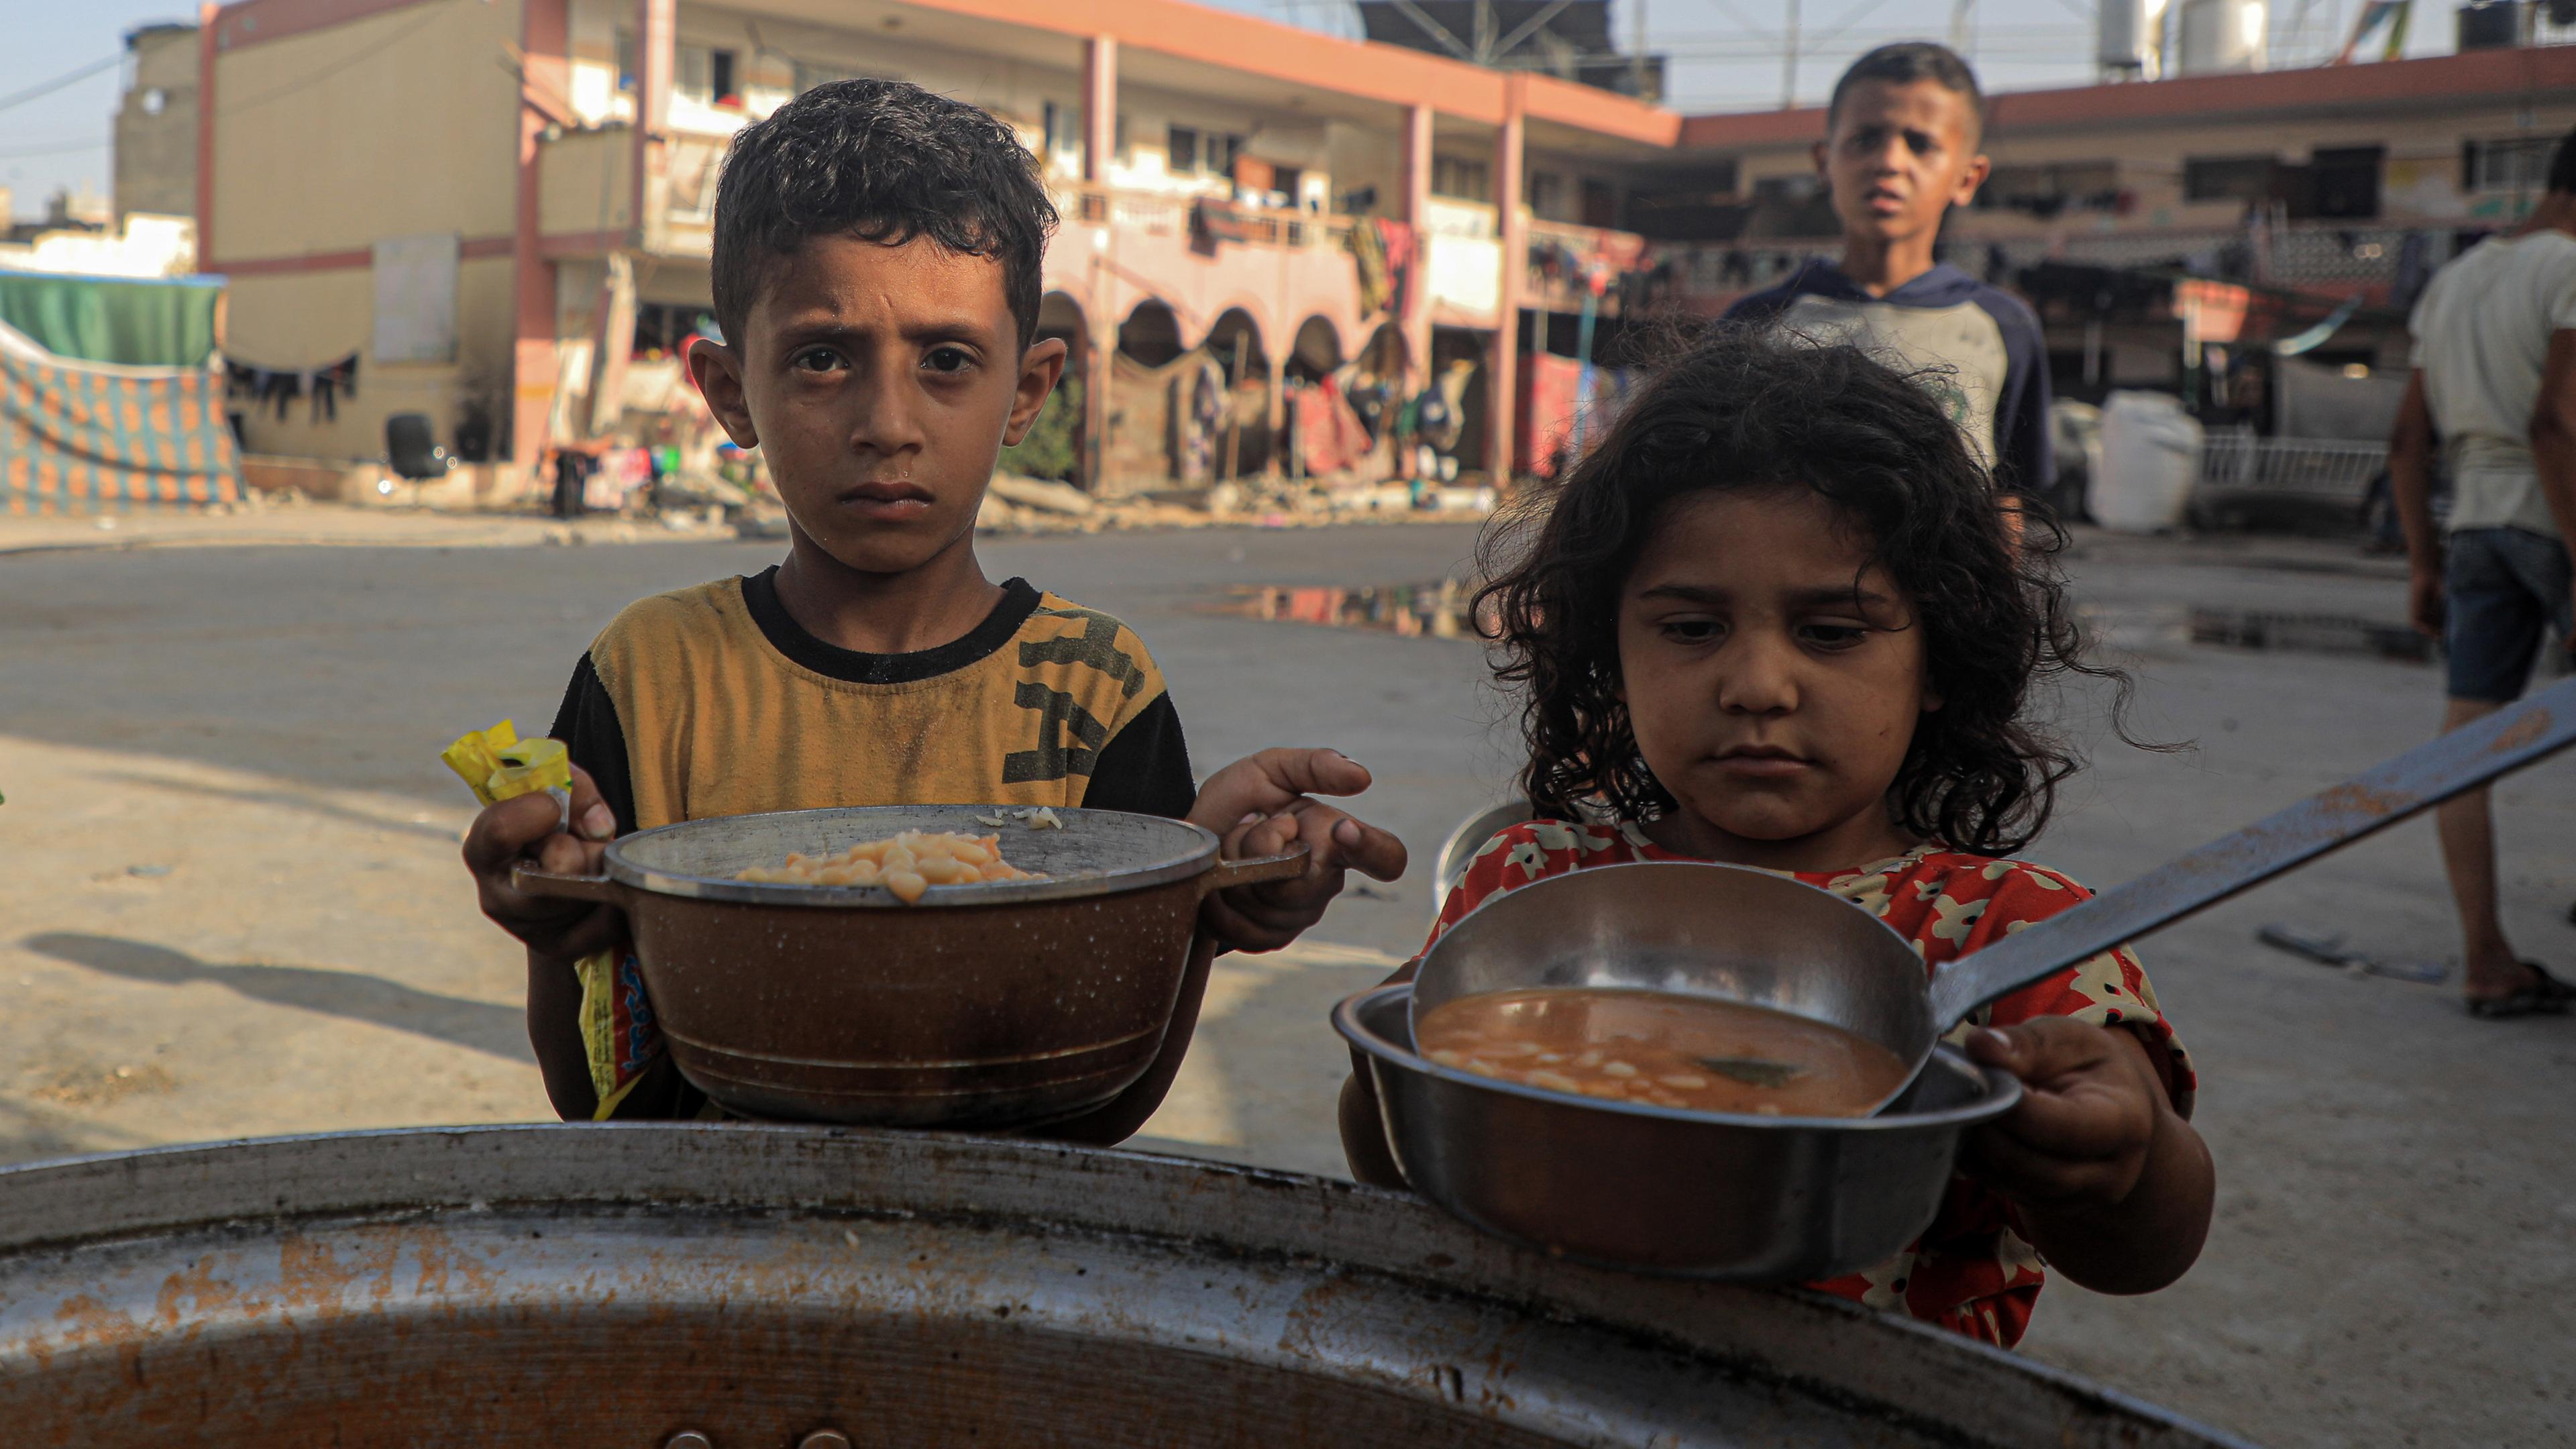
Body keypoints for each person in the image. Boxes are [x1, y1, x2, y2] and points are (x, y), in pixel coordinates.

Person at [463, 80, 1405, 1126]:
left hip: (1010, 1252)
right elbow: (591, 1088)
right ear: (732, 392)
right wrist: (560, 931)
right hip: (716, 1242)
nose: (889, 423)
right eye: (823, 359)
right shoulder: (650, 674)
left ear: (1029, 390)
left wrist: (1194, 900)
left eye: (947, 361)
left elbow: (1106, 1097)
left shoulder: (1097, 687)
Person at [1339, 329, 2212, 1349]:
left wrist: (2127, 1155)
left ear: (1937, 657)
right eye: (1691, 627)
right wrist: (1398, 1064)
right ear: (1606, 648)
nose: (1757, 685)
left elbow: (2145, 1250)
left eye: (1832, 633)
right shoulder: (1532, 888)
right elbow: (1395, 1161)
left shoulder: (2015, 937)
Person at [2390, 123, 2576, 1018]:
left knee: (2464, 748)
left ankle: (2487, 958)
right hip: (2556, 515)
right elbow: (2556, 426)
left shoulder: (2455, 280)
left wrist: (2423, 564)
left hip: (2474, 525)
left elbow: (2407, 438)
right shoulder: (2570, 268)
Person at [1724, 43, 2051, 510]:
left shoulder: (2004, 328)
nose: (1890, 162)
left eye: (1921, 144)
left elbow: (2008, 502)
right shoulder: (1756, 323)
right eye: (1865, 139)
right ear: (1824, 162)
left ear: (1967, 178)